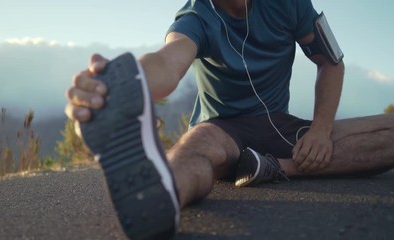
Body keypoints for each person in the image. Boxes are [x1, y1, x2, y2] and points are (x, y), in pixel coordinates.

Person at [64, 0, 394, 239]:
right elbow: (169, 61)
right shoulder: (196, 16)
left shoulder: (291, 5)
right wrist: (119, 84)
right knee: (195, 150)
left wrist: (320, 131)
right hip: (221, 128)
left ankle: (273, 166)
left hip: (278, 125)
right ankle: (163, 196)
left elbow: (331, 63)